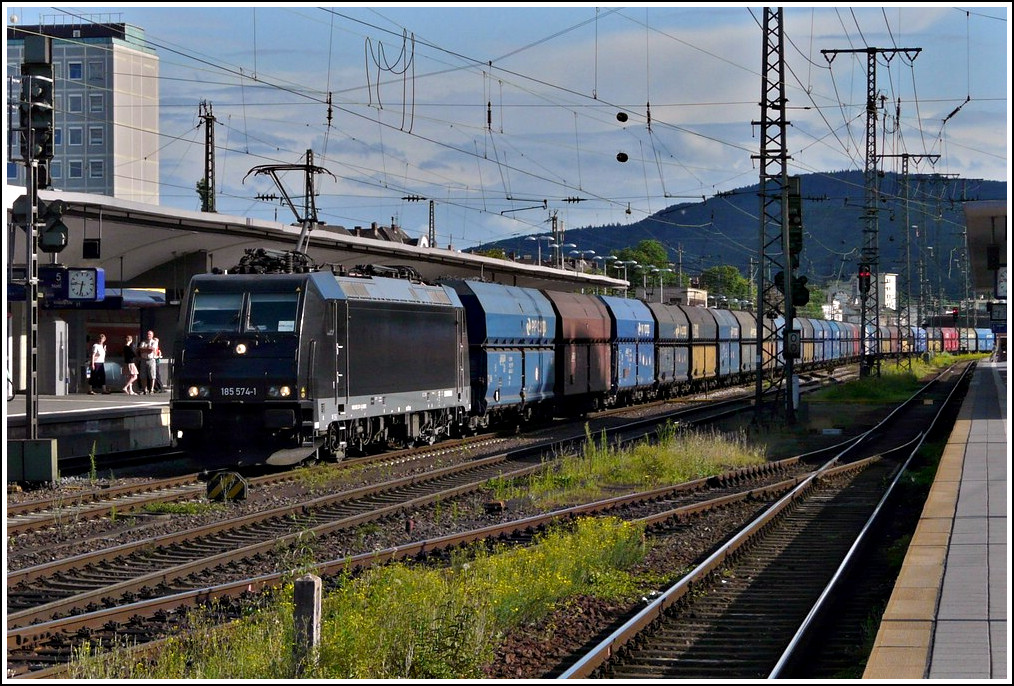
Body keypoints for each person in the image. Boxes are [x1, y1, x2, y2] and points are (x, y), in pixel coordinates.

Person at [138, 329, 160, 395]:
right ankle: (145, 389)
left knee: (152, 375)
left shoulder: (154, 342)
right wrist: (147, 349)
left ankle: (152, 389)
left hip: (151, 360)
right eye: (147, 334)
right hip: (143, 360)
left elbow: (151, 350)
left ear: (152, 335)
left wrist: (146, 349)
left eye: (150, 334)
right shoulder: (143, 342)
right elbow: (140, 350)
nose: (148, 335)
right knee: (143, 375)